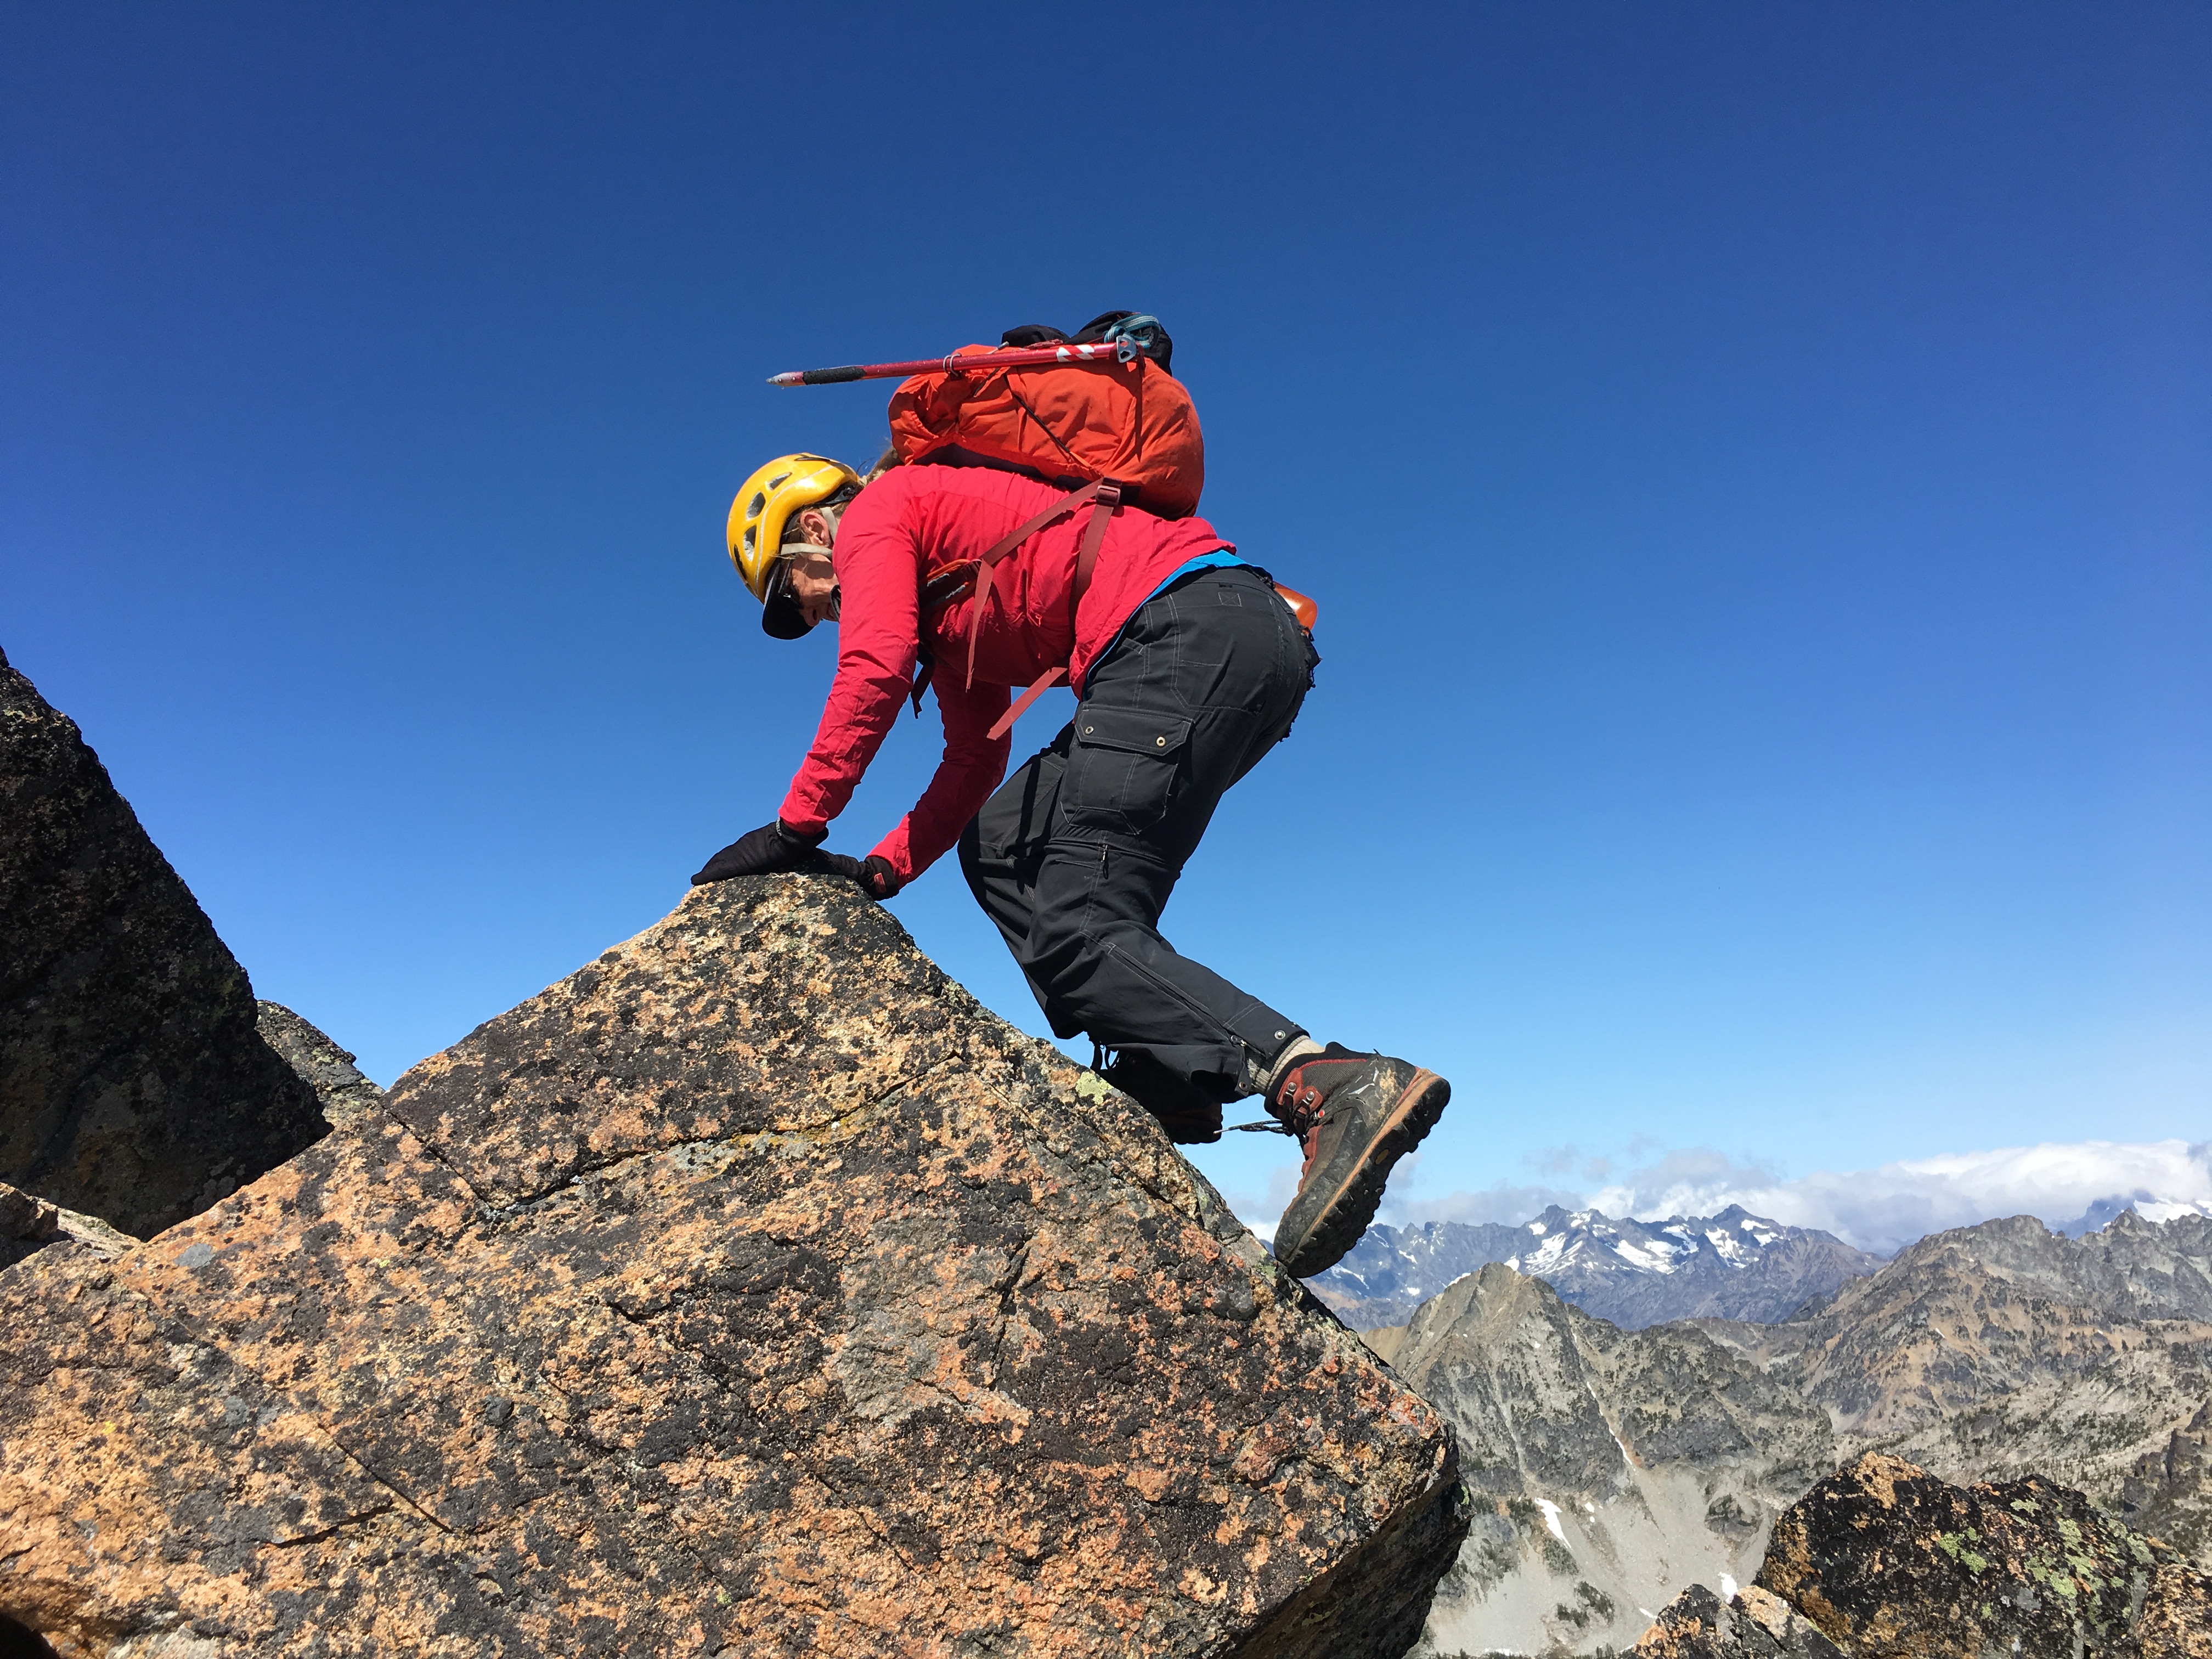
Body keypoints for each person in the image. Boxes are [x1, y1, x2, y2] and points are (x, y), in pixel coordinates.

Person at [695, 448, 1449, 1278]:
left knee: (1077, 925)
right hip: (1237, 636)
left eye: (789, 593)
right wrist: (882, 870)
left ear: (811, 527)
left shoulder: (877, 516)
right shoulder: (947, 594)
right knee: (1000, 843)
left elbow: (874, 667)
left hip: (1176, 634)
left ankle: (1325, 1082)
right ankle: (1172, 1070)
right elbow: (973, 762)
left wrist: (795, 828)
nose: (811, 617)